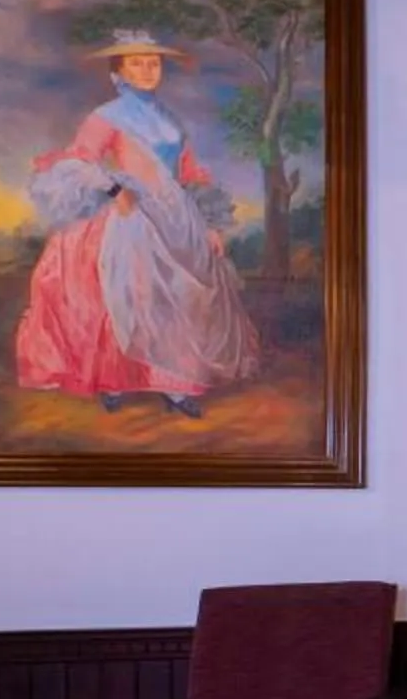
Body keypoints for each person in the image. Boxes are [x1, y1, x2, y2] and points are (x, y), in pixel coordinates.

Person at [15, 29, 260, 416]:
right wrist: (116, 191)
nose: (147, 70)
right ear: (119, 72)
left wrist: (211, 223)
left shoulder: (170, 119)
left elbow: (190, 171)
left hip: (177, 215)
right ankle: (116, 379)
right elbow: (79, 161)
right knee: (129, 292)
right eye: (137, 63)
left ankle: (175, 385)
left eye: (154, 63)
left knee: (180, 296)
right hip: (128, 212)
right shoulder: (105, 116)